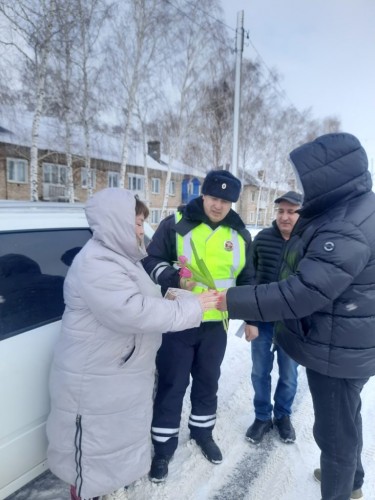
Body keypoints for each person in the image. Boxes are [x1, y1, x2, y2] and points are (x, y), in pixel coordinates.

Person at [217, 132, 375, 500]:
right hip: (350, 338)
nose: (302, 186)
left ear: (328, 176)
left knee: (334, 434)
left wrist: (230, 300)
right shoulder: (357, 207)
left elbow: (302, 292)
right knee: (347, 419)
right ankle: (352, 479)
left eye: (307, 178)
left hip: (339, 348)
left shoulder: (346, 225)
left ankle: (342, 487)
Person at [46, 188, 219, 500]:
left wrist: (171, 296)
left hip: (111, 373)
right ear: (116, 222)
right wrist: (194, 307)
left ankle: (104, 487)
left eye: (142, 223)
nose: (142, 230)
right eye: (138, 223)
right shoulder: (97, 263)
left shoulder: (120, 258)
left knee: (107, 447)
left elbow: (139, 299)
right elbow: (132, 312)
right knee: (90, 454)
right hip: (94, 378)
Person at [142, 169, 254, 483]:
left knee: (207, 383)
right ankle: (163, 447)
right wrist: (175, 279)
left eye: (226, 200)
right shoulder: (176, 223)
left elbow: (248, 280)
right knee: (171, 384)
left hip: (215, 326)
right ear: (203, 194)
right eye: (214, 198)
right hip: (178, 321)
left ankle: (203, 433)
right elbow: (151, 261)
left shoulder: (240, 234)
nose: (219, 205)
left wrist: (251, 317)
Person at [245, 191, 302, 445]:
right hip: (263, 319)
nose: (285, 216)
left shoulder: (308, 242)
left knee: (289, 374)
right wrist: (250, 319)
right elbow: (250, 281)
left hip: (292, 323)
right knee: (260, 371)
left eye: (291, 211)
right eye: (280, 211)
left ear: (301, 214)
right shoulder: (262, 240)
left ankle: (282, 416)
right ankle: (261, 417)